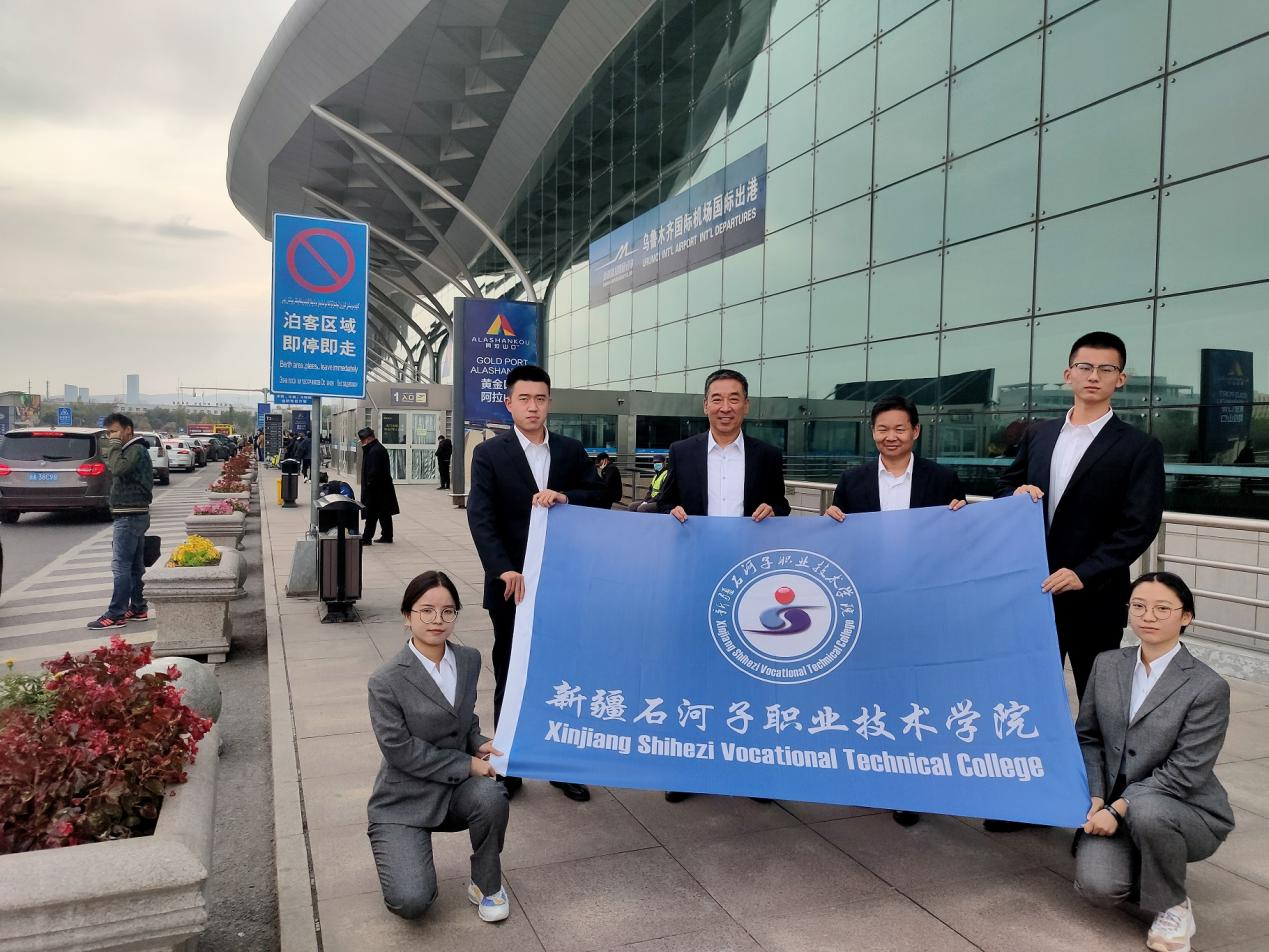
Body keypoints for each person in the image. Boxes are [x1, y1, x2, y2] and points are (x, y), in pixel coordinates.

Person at [996, 330, 1165, 700]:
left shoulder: (1140, 447)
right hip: (1034, 589)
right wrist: (1015, 494)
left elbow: (1139, 525)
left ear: (1121, 379)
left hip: (1096, 596)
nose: (1094, 376)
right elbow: (1006, 484)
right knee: (1030, 695)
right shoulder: (1039, 434)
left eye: (1106, 369)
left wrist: (1084, 573)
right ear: (1068, 374)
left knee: (1098, 698)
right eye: (1085, 367)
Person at [824, 393, 966, 827]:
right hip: (870, 605)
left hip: (923, 606)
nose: (891, 436)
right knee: (872, 689)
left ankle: (910, 783)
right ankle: (870, 771)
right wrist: (831, 522)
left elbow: (960, 541)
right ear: (872, 433)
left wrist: (961, 517)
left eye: (900, 428)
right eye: (883, 429)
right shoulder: (853, 480)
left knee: (916, 691)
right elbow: (840, 543)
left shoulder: (942, 479)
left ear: (916, 431)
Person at [1073, 572, 1233, 952]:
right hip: (1113, 802)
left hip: (1183, 808)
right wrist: (1096, 795)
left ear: (1186, 617)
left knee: (1147, 812)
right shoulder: (1107, 664)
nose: (1148, 616)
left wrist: (1116, 808)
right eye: (1139, 606)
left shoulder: (1207, 686)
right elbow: (1088, 736)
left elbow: (1185, 771)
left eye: (1163, 608)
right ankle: (1151, 863)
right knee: (1098, 888)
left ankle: (1173, 906)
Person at [466, 365, 604, 802]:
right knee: (511, 673)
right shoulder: (489, 454)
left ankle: (560, 764)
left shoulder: (570, 451)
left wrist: (566, 497)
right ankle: (508, 766)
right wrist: (502, 568)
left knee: (563, 674)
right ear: (509, 403)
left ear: (549, 403)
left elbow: (600, 496)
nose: (532, 407)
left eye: (540, 399)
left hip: (563, 584)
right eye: (524, 399)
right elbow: (481, 516)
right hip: (513, 585)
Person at [657, 368, 790, 802]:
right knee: (692, 670)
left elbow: (782, 504)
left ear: (746, 405)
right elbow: (664, 503)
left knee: (750, 672)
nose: (725, 407)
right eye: (717, 398)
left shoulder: (767, 455)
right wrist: (671, 511)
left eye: (734, 398)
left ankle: (752, 768)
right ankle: (688, 767)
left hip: (750, 582)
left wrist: (774, 509)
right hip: (695, 578)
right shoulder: (683, 451)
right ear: (705, 405)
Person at [367, 570, 510, 924]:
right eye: (426, 610)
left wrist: (481, 744)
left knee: (491, 795)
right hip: (404, 800)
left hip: (454, 794)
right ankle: (400, 849)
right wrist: (467, 764)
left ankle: (486, 885)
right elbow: (400, 750)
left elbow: (465, 720)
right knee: (411, 902)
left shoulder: (469, 659)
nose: (437, 620)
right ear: (407, 616)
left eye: (448, 611)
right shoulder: (385, 680)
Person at [88, 413, 154, 630]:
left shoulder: (135, 449)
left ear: (128, 430)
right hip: (132, 514)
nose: (112, 436)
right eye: (108, 433)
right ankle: (138, 607)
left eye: (115, 431)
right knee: (135, 566)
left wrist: (114, 446)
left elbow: (117, 468)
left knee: (121, 565)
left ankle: (116, 613)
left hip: (130, 515)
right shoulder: (132, 450)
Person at [359, 427, 399, 545]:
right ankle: (387, 535)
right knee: (384, 513)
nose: (362, 443)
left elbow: (374, 471)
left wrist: (369, 486)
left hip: (376, 489)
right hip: (382, 488)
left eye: (363, 440)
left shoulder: (374, 451)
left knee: (372, 514)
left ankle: (366, 538)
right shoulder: (376, 448)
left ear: (368, 439)